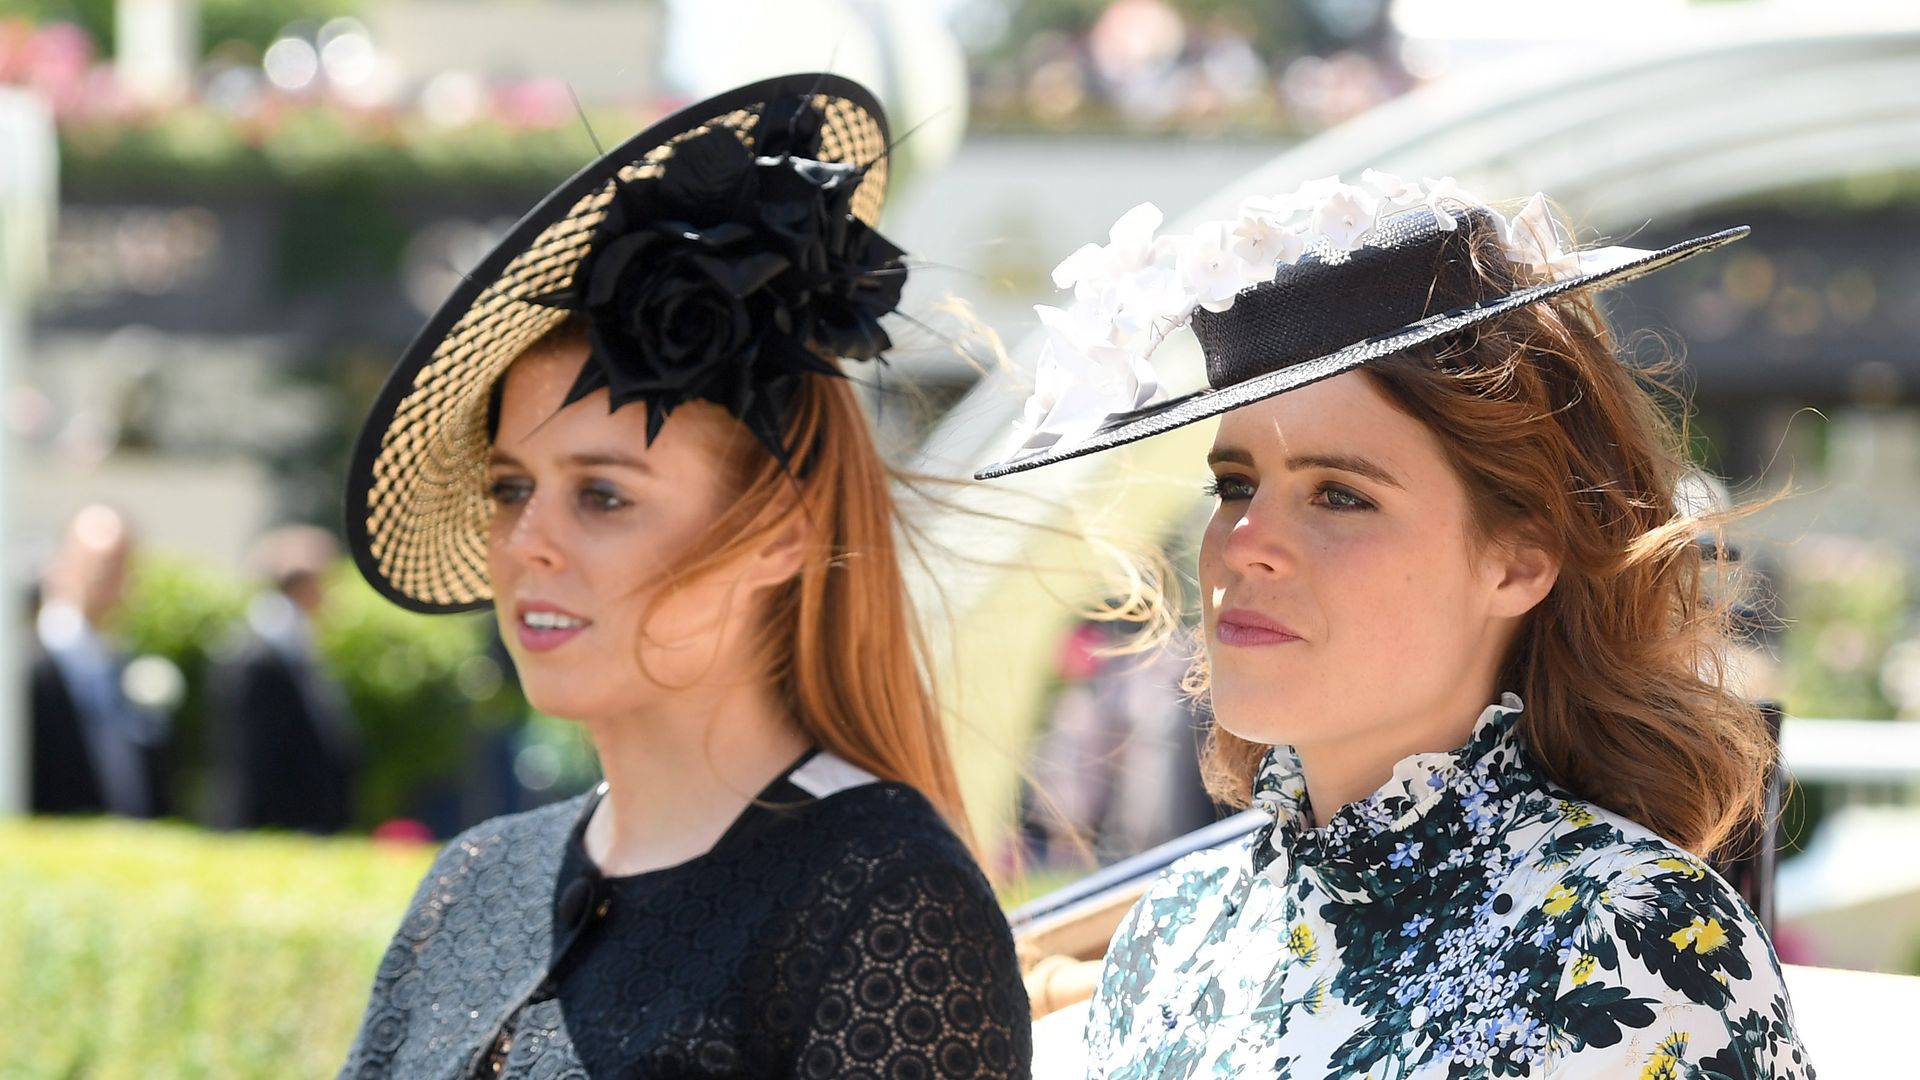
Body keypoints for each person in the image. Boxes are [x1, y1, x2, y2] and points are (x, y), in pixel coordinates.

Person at [977, 176, 1812, 1077]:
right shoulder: (1172, 934)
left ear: (1520, 558)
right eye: (1235, 485)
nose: (1245, 544)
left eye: (1340, 494)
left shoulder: (1640, 941)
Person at [337, 75, 1030, 1078]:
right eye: (508, 486)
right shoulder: (475, 884)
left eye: (604, 496)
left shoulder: (884, 900)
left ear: (781, 534)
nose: (527, 540)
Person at [206, 524, 360, 833]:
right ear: (304, 584)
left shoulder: (296, 645)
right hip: (275, 830)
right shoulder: (258, 656)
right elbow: (254, 762)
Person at [29, 504, 169, 818]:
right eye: (101, 564)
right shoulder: (28, 668)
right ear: (61, 565)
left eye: (122, 566)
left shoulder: (121, 660)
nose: (112, 579)